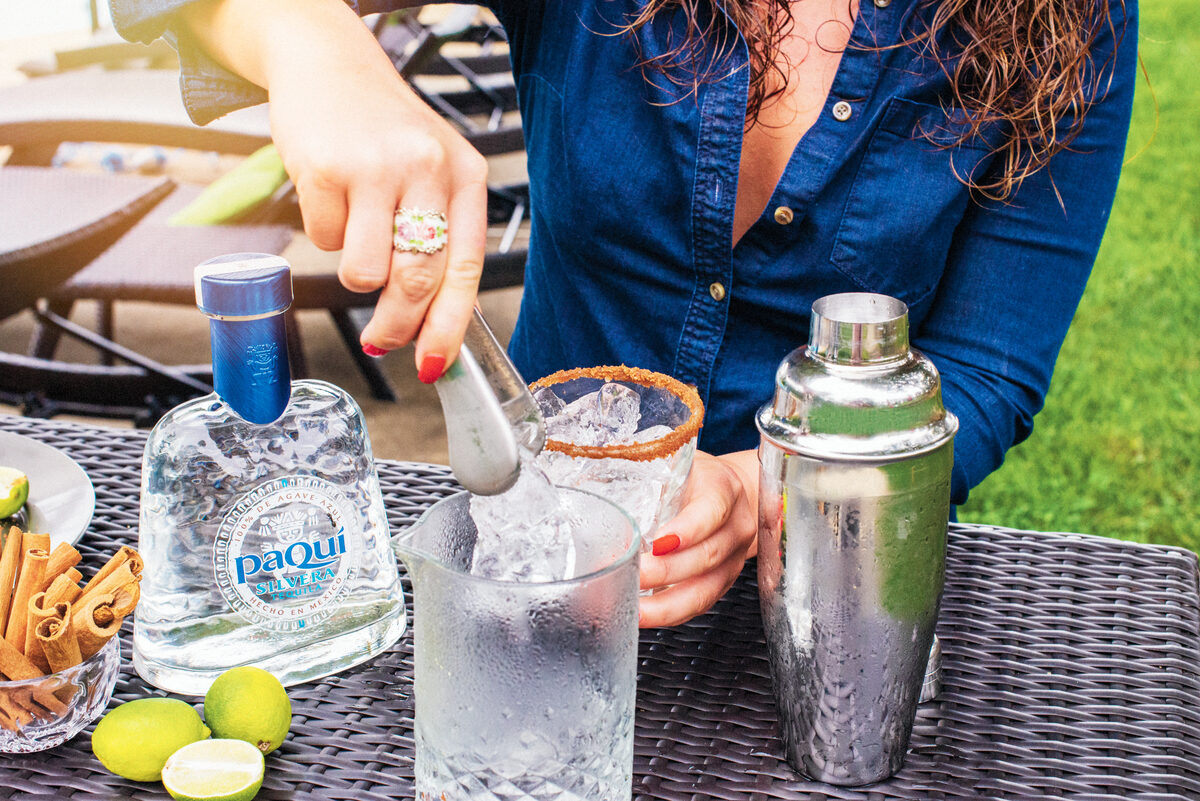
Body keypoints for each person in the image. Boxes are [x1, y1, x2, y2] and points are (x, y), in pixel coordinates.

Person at [112, 0, 1138, 627]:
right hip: (530, 579)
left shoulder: (1068, 18)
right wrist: (310, 43)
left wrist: (763, 482)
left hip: (839, 609)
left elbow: (988, 370)